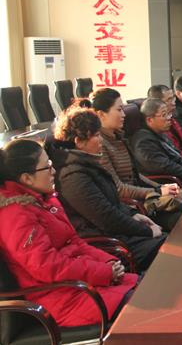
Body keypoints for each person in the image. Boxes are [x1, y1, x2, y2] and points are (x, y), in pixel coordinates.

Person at [0, 139, 138, 327]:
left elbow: (75, 241)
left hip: (83, 285)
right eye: (47, 167)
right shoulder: (15, 215)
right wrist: (103, 272)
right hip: (62, 298)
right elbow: (47, 266)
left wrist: (107, 262)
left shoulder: (44, 201)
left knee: (150, 289)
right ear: (27, 178)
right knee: (148, 306)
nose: (54, 171)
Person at [49, 106, 166, 271]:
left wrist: (133, 214)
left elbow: (111, 201)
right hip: (109, 245)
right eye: (96, 135)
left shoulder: (86, 163)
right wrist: (146, 231)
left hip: (120, 233)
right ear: (79, 142)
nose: (101, 140)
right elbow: (106, 217)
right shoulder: (72, 176)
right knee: (171, 249)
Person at [91, 88, 182, 231]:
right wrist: (156, 192)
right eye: (119, 110)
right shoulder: (100, 145)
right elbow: (118, 189)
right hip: (132, 207)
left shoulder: (119, 136)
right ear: (101, 114)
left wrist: (159, 187)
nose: (124, 114)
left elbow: (136, 175)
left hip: (142, 198)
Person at [131, 98, 182, 192]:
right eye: (164, 115)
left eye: (168, 114)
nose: (169, 118)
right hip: (169, 185)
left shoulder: (159, 133)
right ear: (150, 120)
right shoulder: (143, 142)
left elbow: (177, 157)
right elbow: (167, 167)